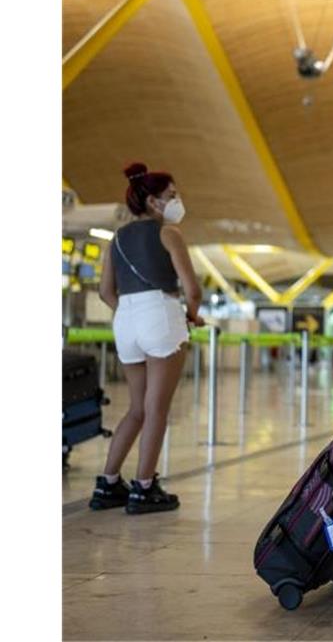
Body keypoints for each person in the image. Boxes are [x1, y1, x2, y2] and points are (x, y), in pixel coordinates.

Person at [88, 163, 203, 514]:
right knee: (156, 409)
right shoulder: (169, 234)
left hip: (126, 320)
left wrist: (131, 312)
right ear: (152, 201)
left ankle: (108, 483)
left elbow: (105, 291)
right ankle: (144, 486)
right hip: (160, 314)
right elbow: (192, 288)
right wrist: (191, 314)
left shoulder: (117, 239)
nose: (176, 201)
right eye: (171, 196)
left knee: (136, 409)